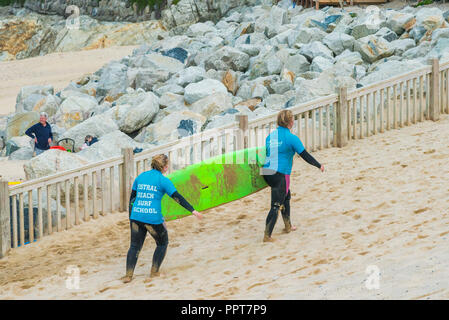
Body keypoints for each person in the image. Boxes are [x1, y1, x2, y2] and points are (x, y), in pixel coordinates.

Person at [122, 154, 202, 283]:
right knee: (162, 243)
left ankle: (128, 275)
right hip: (152, 219)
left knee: (135, 246)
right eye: (167, 165)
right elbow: (177, 197)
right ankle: (154, 272)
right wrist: (193, 210)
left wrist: (131, 217)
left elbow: (132, 199)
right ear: (164, 167)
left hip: (136, 216)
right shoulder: (163, 180)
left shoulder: (140, 177)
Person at [261, 110, 324, 243]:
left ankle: (288, 226)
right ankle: (267, 236)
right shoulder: (292, 138)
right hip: (280, 173)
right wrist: (318, 165)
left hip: (266, 173)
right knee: (276, 204)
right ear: (291, 122)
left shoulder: (270, 137)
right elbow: (305, 155)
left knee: (286, 195)